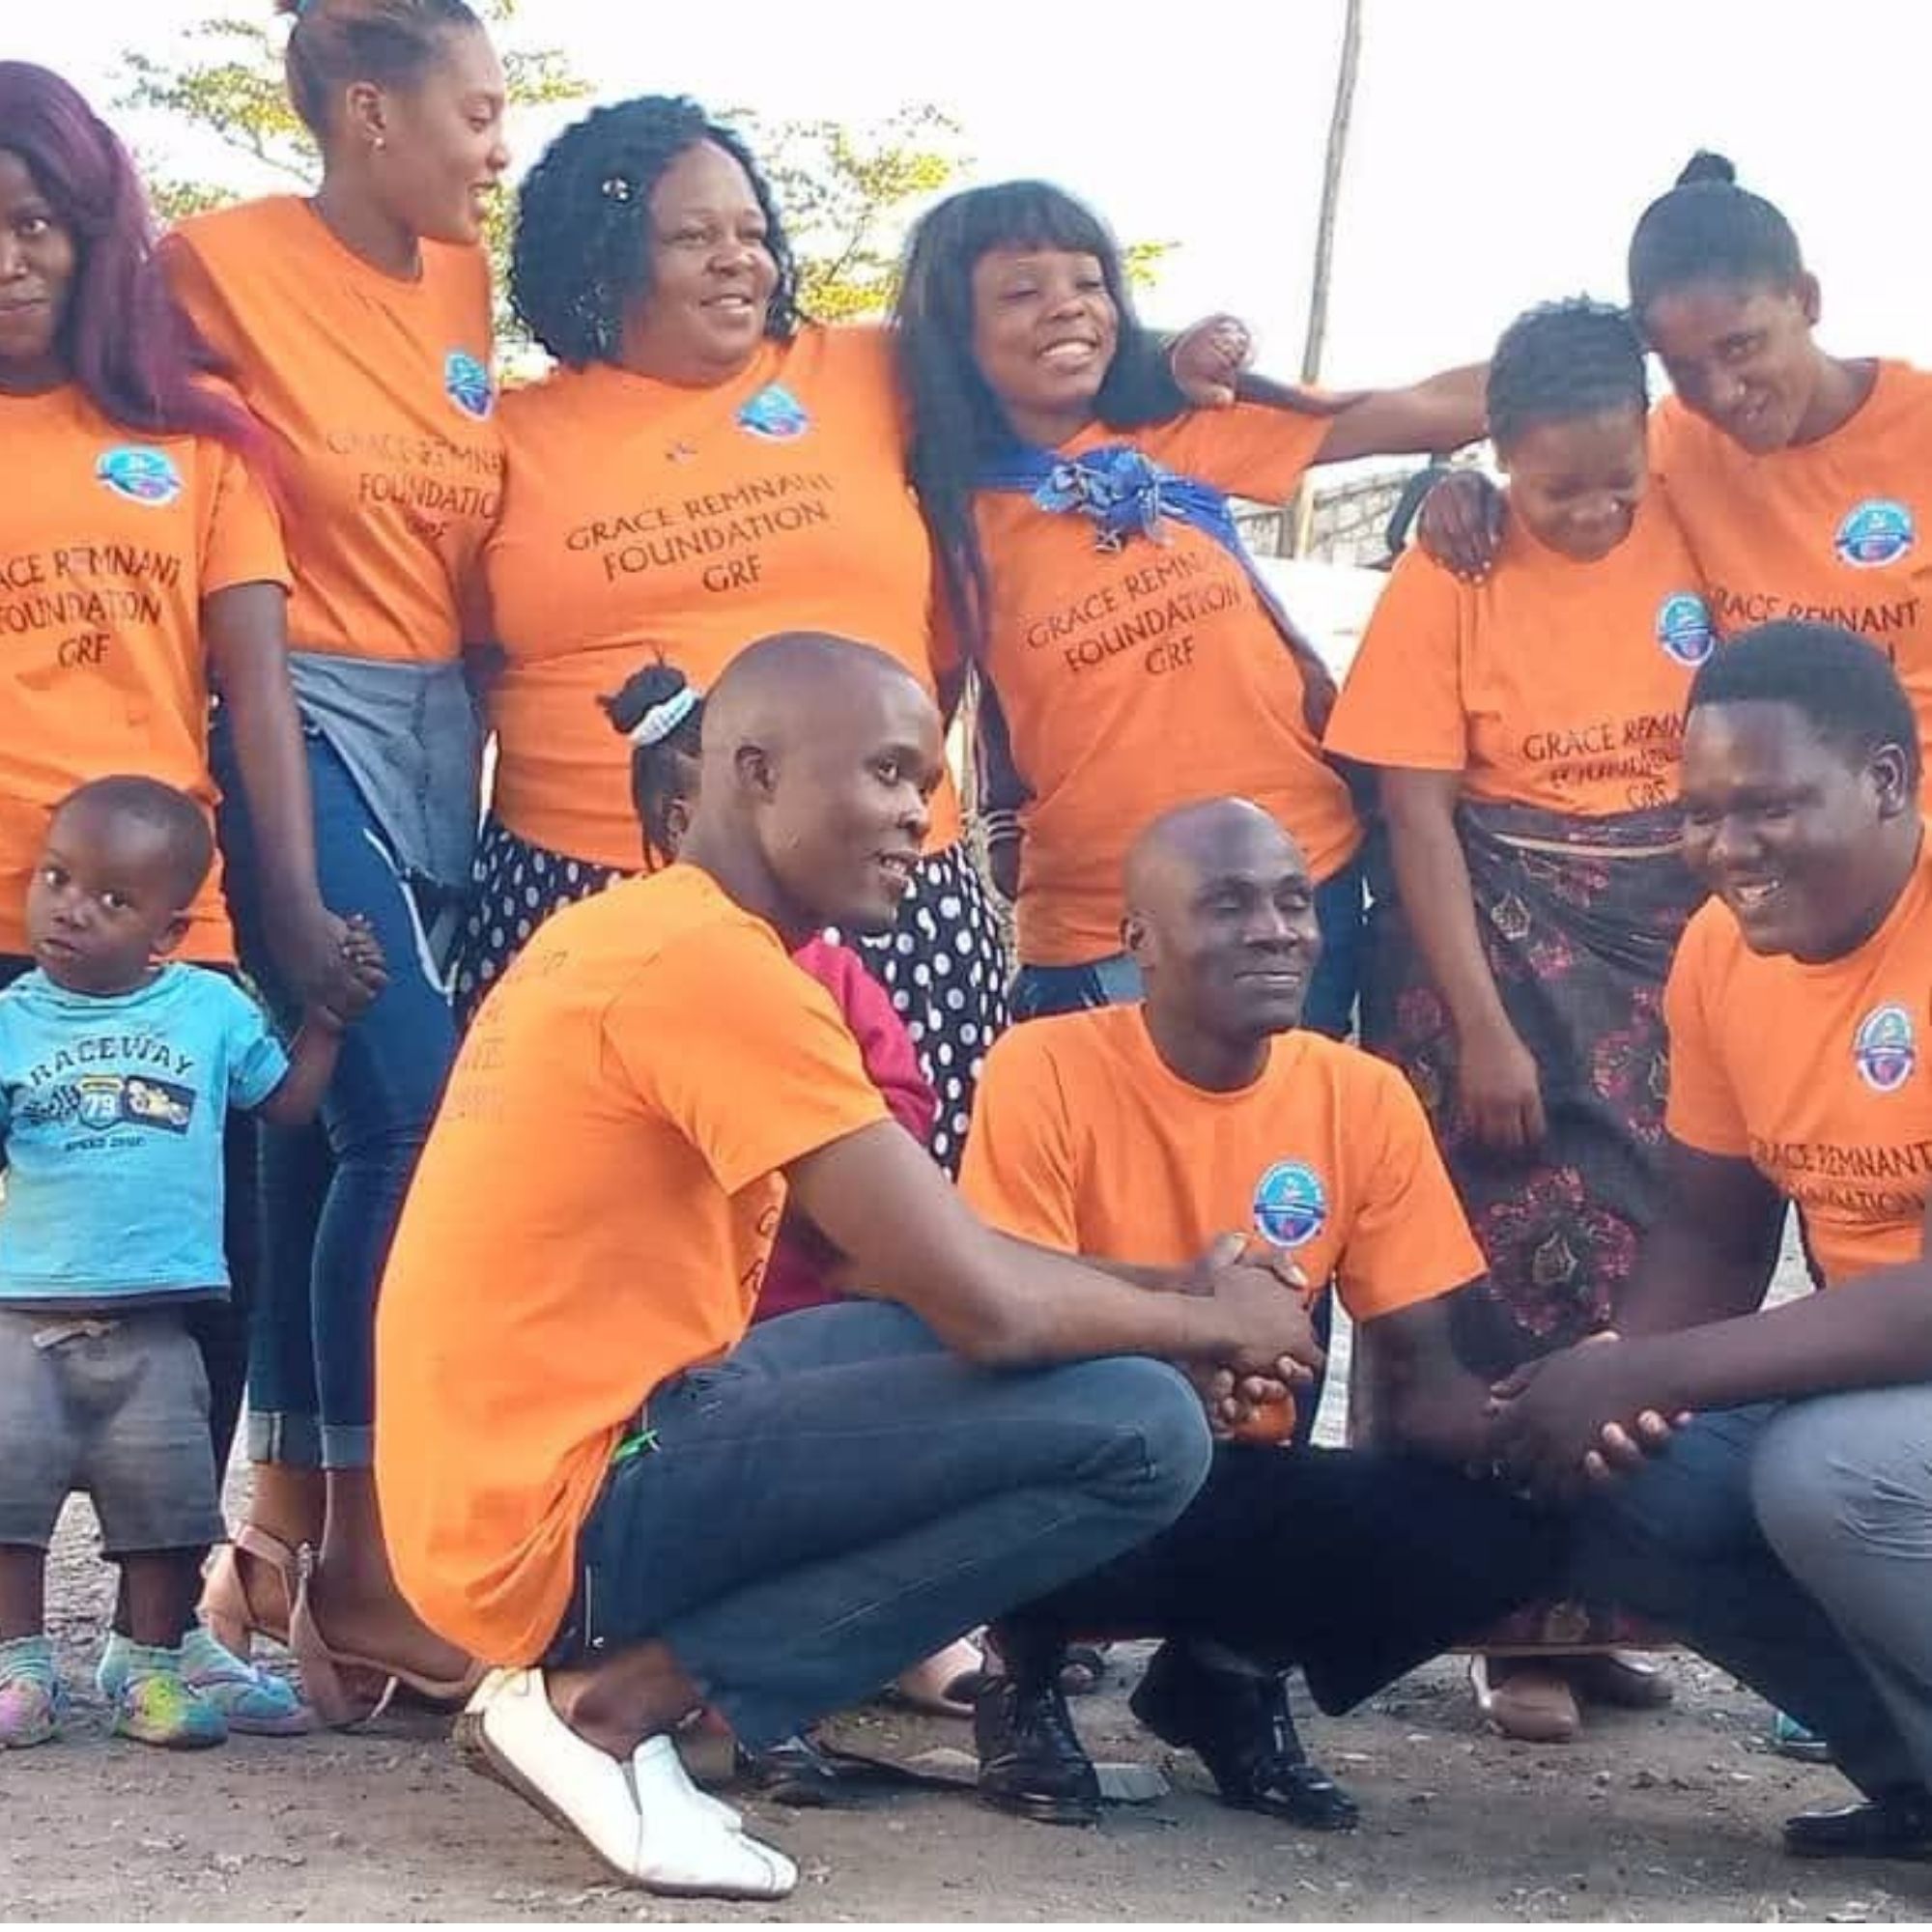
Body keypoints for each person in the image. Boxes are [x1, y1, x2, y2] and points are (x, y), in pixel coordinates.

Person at [374, 633, 1324, 1899]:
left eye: (926, 780)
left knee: (1067, 1361)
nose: (915, 816)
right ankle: (612, 1706)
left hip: (536, 1481)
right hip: (559, 1516)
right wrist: (1207, 1331)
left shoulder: (662, 937)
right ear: (754, 773)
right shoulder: (709, 970)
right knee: (1144, 1431)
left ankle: (610, 1697)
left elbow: (925, 1263)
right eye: (883, 772)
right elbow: (985, 1308)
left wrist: (1176, 1297)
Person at [957, 797, 1566, 1828]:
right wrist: (1193, 1323)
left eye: (1292, 900)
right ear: (1137, 940)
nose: (1276, 927)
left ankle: (1222, 1675)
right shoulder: (1041, 1066)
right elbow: (1005, 1304)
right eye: (1228, 903)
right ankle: (1022, 1673)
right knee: (1058, 1434)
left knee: (1510, 1526)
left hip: (1242, 1469)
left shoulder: (1359, 1095)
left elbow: (1423, 1377)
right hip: (1077, 1452)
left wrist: (1550, 1424)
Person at [0, 60, 373, 1713]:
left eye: (38, 227)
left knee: (187, 1294)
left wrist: (287, 913)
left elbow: (257, 694)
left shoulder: (196, 443)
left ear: (94, 240)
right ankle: (14, 1652)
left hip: (169, 949)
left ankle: (160, 1652)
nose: (9, 259)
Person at [159, 0, 511, 1719]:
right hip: (288, 720)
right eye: (477, 112)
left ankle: (280, 1541)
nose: (496, 148)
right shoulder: (214, 261)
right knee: (408, 1113)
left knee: (315, 1130)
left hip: (443, 730)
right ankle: (376, 1566)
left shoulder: (463, 282)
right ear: (370, 112)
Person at [453, 95, 1008, 1172]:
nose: (735, 261)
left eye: (751, 232)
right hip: (588, 891)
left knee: (892, 1250)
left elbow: (1064, 373)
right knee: (621, 1233)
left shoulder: (865, 371)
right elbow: (461, 673)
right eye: (693, 235)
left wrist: (1185, 367)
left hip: (886, 892)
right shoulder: (507, 436)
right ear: (607, 256)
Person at [1324, 300, 1708, 1741]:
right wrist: (1481, 1029)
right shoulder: (1457, 560)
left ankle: (1609, 1606)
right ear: (1497, 459)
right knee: (1489, 1280)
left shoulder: (1690, 495)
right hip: (1485, 949)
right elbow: (1413, 811)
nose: (1600, 510)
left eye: (1619, 479)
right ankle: (1501, 1632)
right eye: (1561, 490)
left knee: (1649, 1275)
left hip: (1669, 941)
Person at [1489, 621, 1932, 1861]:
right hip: (1895, 1394)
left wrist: (1648, 1372)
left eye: (1768, 806)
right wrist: (1600, 1393)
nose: (1725, 849)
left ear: (1886, 780)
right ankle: (1911, 1781)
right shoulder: (1720, 953)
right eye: (1699, 811)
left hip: (1897, 1400)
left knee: (1830, 1471)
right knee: (1623, 1480)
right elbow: (1709, 1231)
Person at [893, 179, 1487, 1033]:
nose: (1068, 309)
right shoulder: (942, 516)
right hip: (1105, 925)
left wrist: (1627, 349)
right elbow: (915, 724)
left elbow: (1431, 409)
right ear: (956, 332)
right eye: (1023, 291)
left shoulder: (1188, 428)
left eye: (1090, 283)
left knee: (1291, 1156)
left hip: (1297, 878)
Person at [611, 658, 986, 1742]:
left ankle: (909, 1630)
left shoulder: (831, 973)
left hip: (819, 1295)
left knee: (901, 1406)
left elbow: (901, 1103)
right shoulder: (645, 960)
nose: (911, 812)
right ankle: (706, 1664)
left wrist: (836, 1147)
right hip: (694, 1330)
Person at [0, 780, 383, 1748]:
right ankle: (21, 1667)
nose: (70, 907)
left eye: (111, 899)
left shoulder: (209, 1009)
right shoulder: (11, 1017)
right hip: (25, 1312)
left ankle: (150, 1665)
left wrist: (329, 1020)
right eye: (57, 878)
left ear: (169, 933)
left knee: (166, 1509)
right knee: (10, 1501)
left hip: (159, 1319)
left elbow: (286, 1104)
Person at [1420, 154, 1932, 772]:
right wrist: (1469, 492)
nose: (1720, 393)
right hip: (1761, 840)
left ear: (1806, 299)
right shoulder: (1674, 444)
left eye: (1741, 346)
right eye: (1683, 369)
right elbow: (1568, 460)